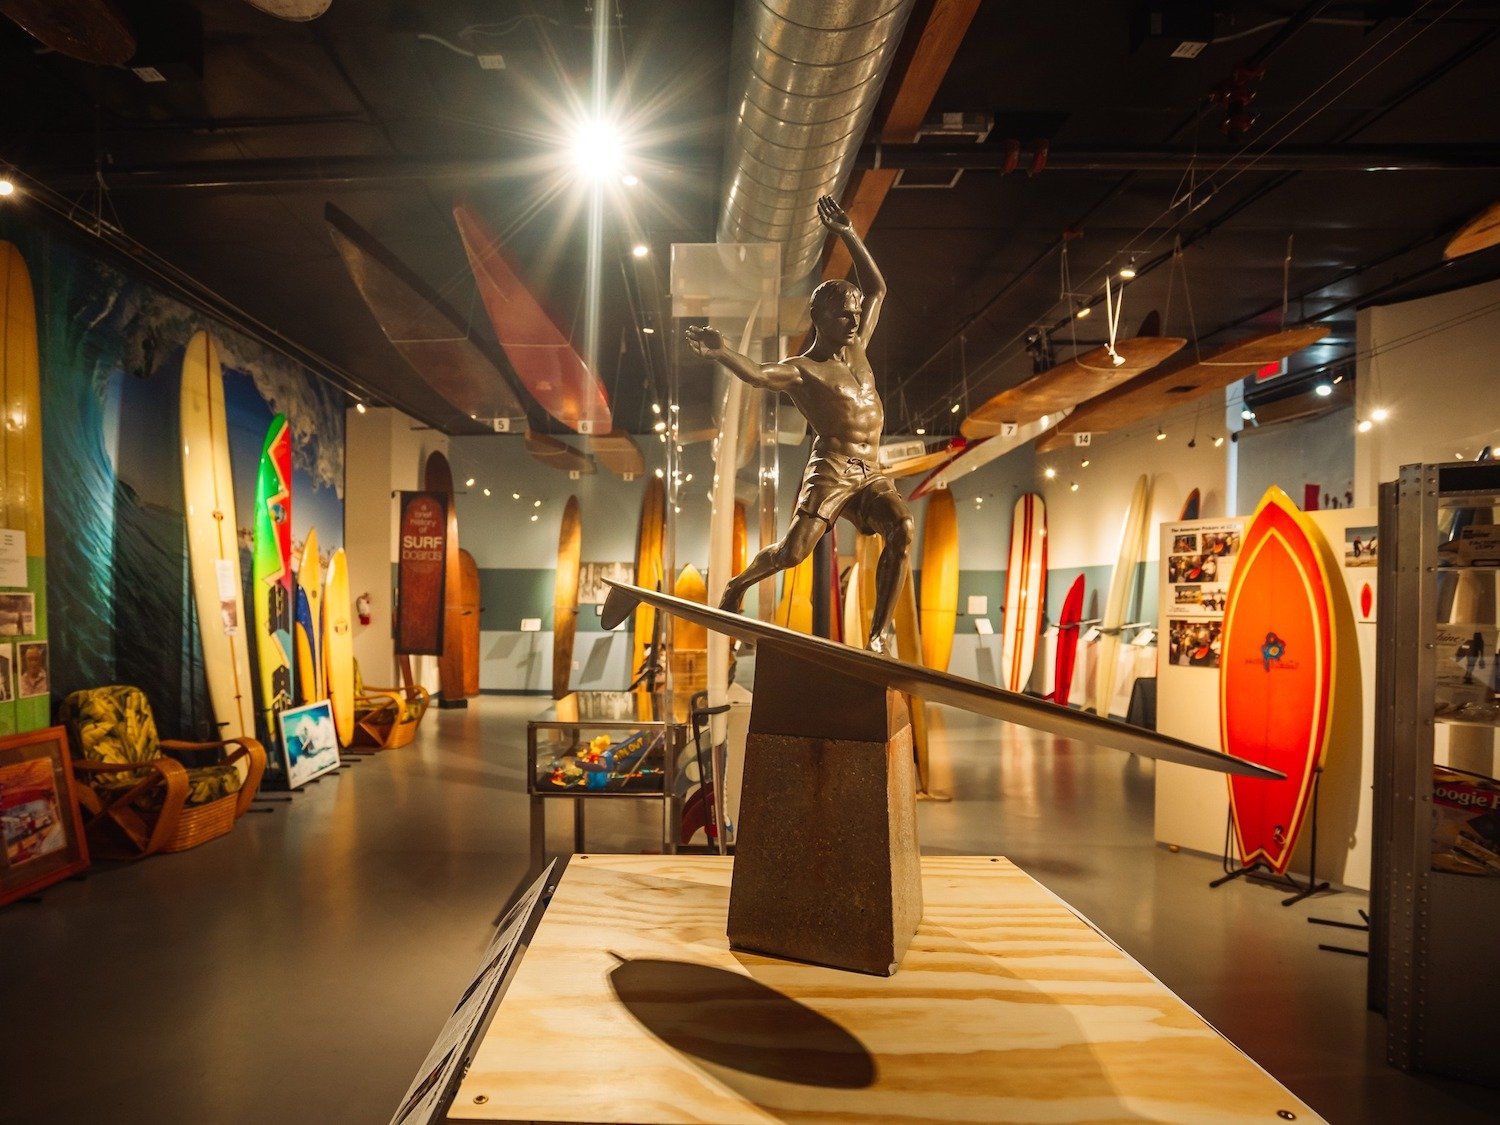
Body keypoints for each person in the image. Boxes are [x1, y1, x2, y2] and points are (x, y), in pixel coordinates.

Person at [686, 195, 913, 655]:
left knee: (903, 530)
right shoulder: (801, 370)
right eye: (841, 315)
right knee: (792, 555)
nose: (852, 320)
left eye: (853, 313)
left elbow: (878, 290)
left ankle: (877, 635)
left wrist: (848, 233)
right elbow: (756, 373)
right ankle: (738, 584)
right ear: (817, 319)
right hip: (832, 468)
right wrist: (722, 350)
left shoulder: (857, 347)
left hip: (871, 471)